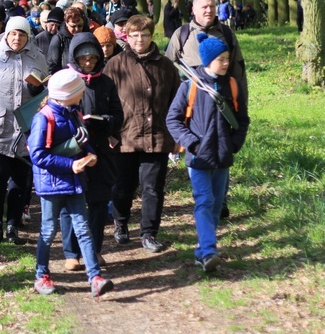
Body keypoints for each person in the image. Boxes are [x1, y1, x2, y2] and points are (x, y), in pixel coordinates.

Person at [27, 68, 114, 297]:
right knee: (48, 230)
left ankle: (94, 278)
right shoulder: (44, 117)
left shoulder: (73, 112)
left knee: (83, 229)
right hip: (52, 184)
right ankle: (41, 276)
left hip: (75, 182)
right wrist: (70, 165)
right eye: (79, 92)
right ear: (67, 94)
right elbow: (37, 155)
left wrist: (91, 154)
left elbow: (82, 140)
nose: (82, 95)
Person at [166, 34, 250, 271]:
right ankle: (210, 250)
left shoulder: (232, 85)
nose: (225, 63)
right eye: (221, 59)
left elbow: (242, 120)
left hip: (223, 156)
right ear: (208, 60)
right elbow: (173, 120)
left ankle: (202, 251)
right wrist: (191, 143)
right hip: (198, 157)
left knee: (215, 206)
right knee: (204, 202)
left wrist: (234, 144)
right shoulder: (190, 86)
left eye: (227, 58)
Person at [104, 15, 181, 254]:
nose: (140, 40)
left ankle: (149, 233)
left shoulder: (166, 66)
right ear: (127, 36)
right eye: (134, 35)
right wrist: (109, 135)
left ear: (151, 36)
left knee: (153, 188)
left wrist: (177, 136)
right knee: (124, 186)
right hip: (124, 136)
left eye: (144, 35)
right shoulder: (115, 65)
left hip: (157, 136)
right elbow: (104, 102)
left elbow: (176, 102)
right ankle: (121, 222)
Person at [0, 17, 48, 244]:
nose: (17, 38)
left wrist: (38, 88)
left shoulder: (37, 57)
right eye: (13, 34)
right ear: (6, 35)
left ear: (28, 36)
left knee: (21, 180)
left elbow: (45, 93)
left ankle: (12, 224)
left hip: (26, 128)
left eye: (21, 34)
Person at [60, 33, 123, 270]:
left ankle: (94, 250)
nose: (88, 63)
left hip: (99, 152)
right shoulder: (64, 79)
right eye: (83, 58)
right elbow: (51, 113)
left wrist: (105, 122)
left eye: (93, 58)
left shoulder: (106, 83)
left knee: (98, 203)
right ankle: (71, 252)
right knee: (71, 202)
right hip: (72, 152)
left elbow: (119, 116)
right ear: (75, 57)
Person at [47, 6, 86, 74]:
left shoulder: (87, 36)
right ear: (66, 24)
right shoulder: (58, 39)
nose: (77, 29)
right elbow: (52, 65)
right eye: (73, 26)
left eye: (80, 26)